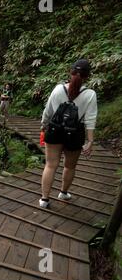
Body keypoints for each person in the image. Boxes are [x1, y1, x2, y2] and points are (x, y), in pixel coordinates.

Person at [39, 59, 97, 209]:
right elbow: (90, 119)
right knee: (69, 167)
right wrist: (90, 141)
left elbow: (48, 111)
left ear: (70, 72)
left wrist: (43, 125)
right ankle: (63, 193)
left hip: (54, 131)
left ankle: (44, 200)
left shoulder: (58, 89)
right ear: (87, 76)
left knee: (50, 165)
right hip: (75, 134)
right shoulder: (90, 94)